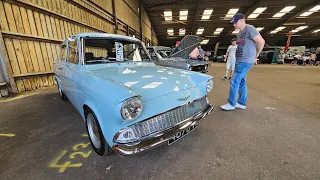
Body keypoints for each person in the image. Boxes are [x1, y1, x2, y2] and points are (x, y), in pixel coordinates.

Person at [220, 13, 265, 111]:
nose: (234, 25)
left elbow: (261, 42)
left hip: (246, 60)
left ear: (241, 20)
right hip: (239, 60)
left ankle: (231, 103)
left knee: (234, 80)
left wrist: (256, 54)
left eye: (235, 23)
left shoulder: (250, 28)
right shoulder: (239, 33)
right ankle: (242, 103)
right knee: (241, 82)